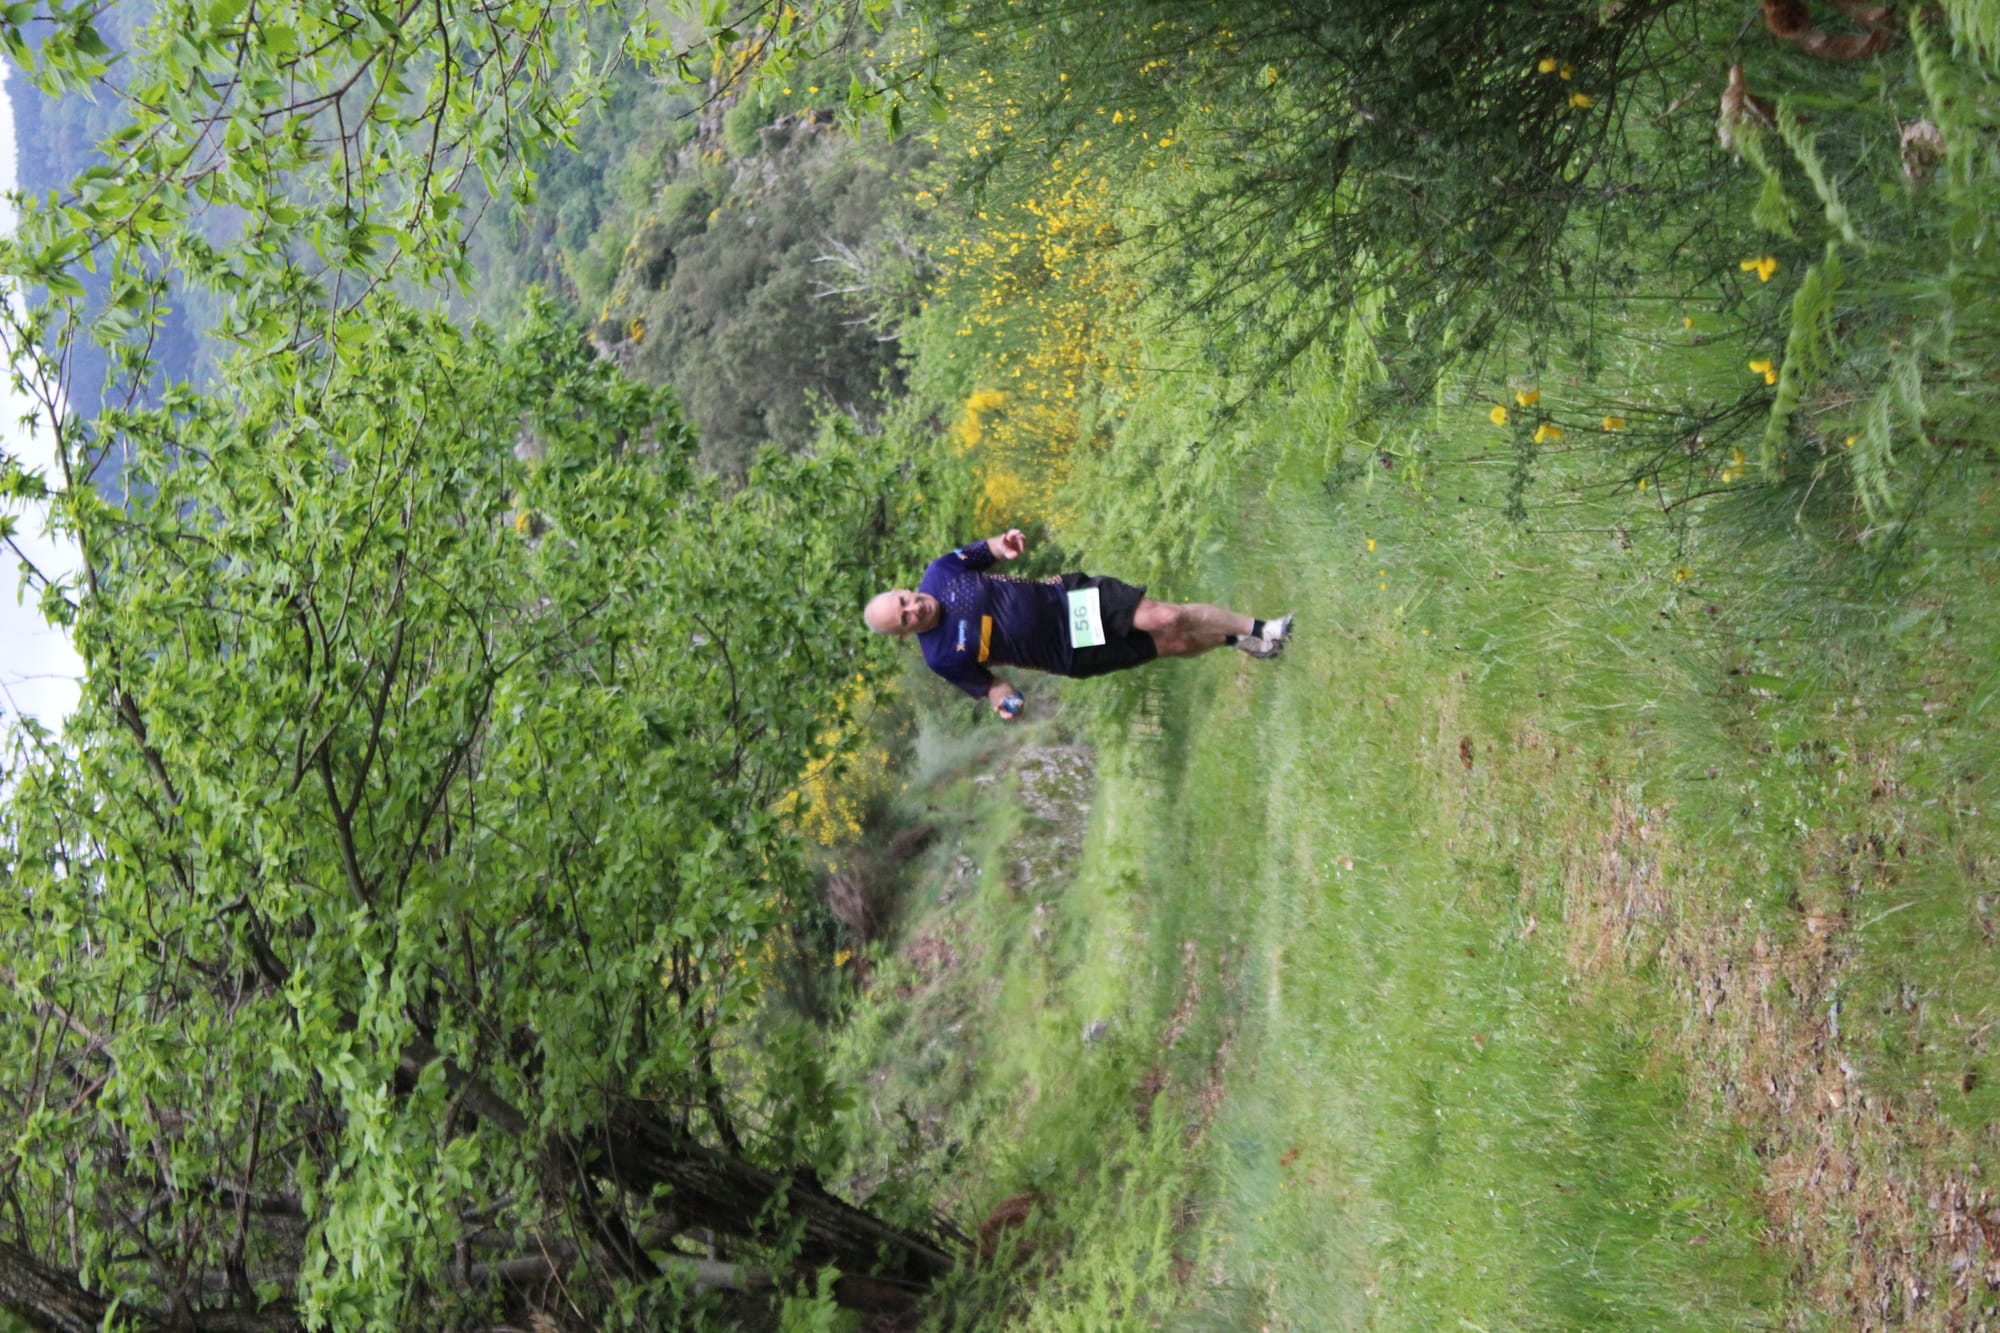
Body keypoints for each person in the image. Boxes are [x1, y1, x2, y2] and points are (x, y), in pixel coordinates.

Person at [863, 528, 1292, 719]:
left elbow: (985, 549)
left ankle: (1264, 628)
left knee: (1166, 616)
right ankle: (1235, 639)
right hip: (1070, 652)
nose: (913, 609)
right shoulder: (940, 657)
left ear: (904, 589)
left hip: (1068, 601)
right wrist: (1004, 700)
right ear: (903, 633)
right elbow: (991, 685)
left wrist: (1005, 543)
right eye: (904, 618)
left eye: (904, 600)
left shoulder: (941, 572)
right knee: (1175, 642)